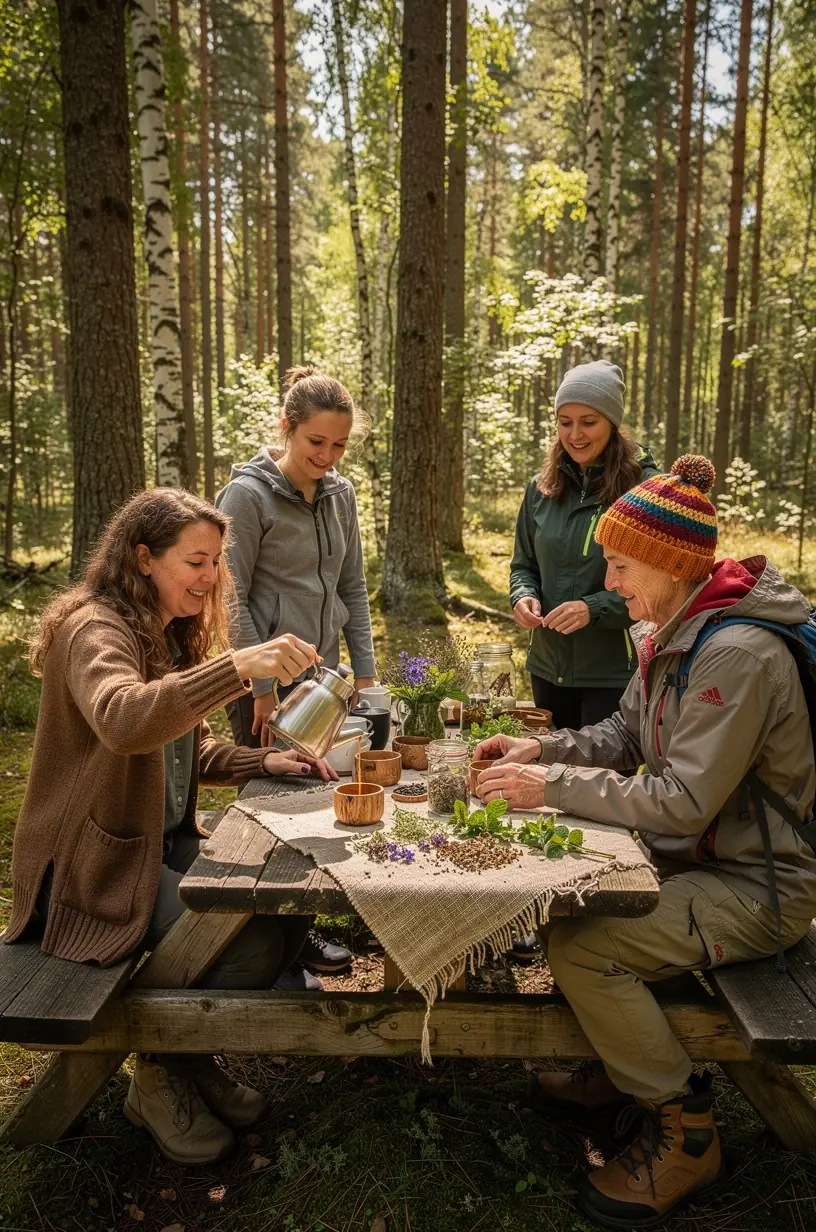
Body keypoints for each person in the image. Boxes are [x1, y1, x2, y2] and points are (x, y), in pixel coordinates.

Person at [475, 455, 816, 1228]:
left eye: (621, 565)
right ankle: (618, 1069)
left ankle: (685, 1126)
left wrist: (548, 791)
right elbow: (627, 731)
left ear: (669, 561)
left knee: (585, 946)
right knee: (565, 901)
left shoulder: (735, 653)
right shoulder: (677, 628)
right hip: (703, 864)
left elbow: (684, 802)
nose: (612, 581)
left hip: (761, 889)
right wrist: (547, 751)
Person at [3, 488, 338, 1166]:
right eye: (195, 561)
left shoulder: (167, 631)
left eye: (217, 562)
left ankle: (185, 1058)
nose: (210, 577)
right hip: (93, 866)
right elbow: (127, 721)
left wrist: (263, 758)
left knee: (285, 912)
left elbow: (184, 752)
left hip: (158, 842)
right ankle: (161, 1073)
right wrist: (238, 665)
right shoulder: (94, 629)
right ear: (142, 557)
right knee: (243, 948)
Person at [216, 365, 377, 988]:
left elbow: (352, 587)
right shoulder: (248, 497)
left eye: (338, 445)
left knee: (316, 801)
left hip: (325, 679)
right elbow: (229, 600)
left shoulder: (339, 495)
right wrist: (260, 690)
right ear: (287, 429)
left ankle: (304, 924)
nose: (327, 457)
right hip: (260, 681)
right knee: (265, 811)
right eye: (316, 443)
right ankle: (260, 941)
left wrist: (363, 675)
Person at [508, 359, 658, 961]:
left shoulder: (643, 488)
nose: (574, 434)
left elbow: (659, 581)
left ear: (613, 424)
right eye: (565, 422)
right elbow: (522, 561)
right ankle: (532, 913)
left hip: (613, 673)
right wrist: (523, 594)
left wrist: (594, 607)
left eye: (588, 422)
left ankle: (590, 922)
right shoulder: (542, 487)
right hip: (548, 665)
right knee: (538, 790)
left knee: (598, 803)